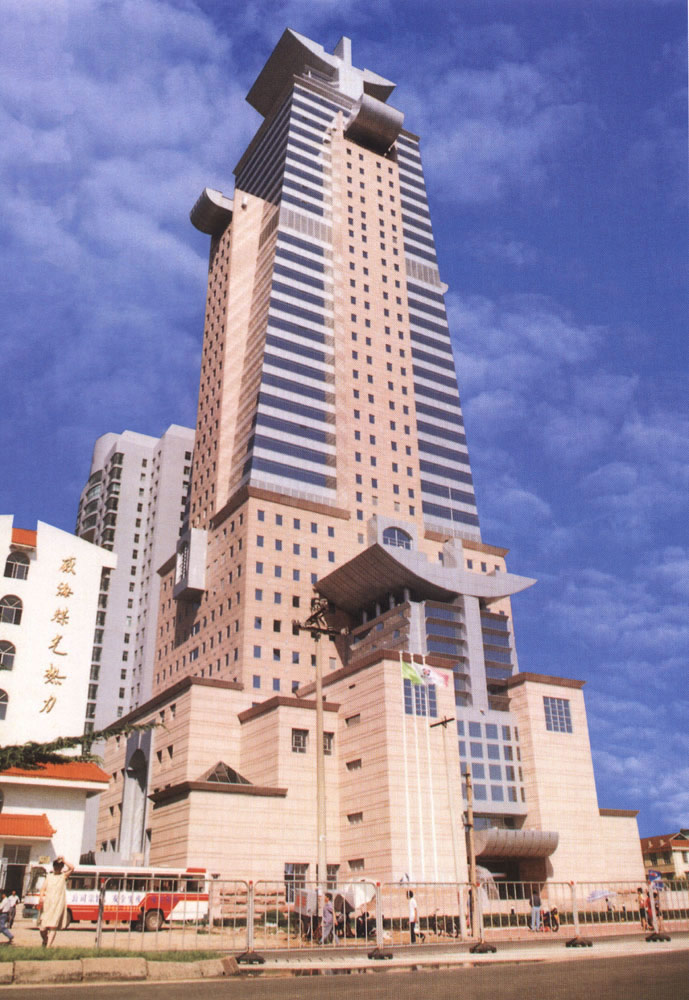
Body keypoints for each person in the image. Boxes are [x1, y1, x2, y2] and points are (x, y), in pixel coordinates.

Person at [38, 856, 74, 947]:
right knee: (42, 928)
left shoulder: (63, 876)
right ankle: (45, 940)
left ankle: (48, 947)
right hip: (47, 905)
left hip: (58, 904)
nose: (57, 868)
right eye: (55, 866)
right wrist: (41, 898)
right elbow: (42, 889)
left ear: (61, 867)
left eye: (59, 866)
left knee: (53, 927)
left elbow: (72, 868)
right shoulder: (49, 876)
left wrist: (64, 860)